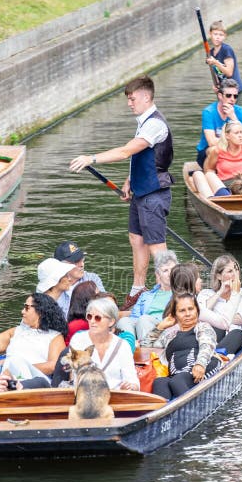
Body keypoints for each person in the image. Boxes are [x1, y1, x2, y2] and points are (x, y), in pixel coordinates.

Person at [69, 75, 174, 310]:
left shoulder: (155, 124)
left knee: (157, 247)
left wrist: (91, 158)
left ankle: (171, 296)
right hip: (141, 191)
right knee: (136, 240)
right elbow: (140, 157)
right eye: (128, 99)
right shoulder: (143, 122)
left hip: (155, 194)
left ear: (146, 97)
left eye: (132, 98)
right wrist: (129, 181)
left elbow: (127, 151)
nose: (129, 103)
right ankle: (138, 290)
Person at [143, 293, 225, 400]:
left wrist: (200, 364)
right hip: (177, 374)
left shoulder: (203, 327)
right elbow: (145, 346)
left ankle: (192, 411)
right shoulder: (170, 335)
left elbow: (207, 346)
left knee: (178, 380)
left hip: (203, 367)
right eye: (182, 311)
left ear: (197, 311)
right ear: (175, 314)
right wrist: (160, 327)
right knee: (160, 382)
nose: (187, 314)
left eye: (191, 309)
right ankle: (161, 415)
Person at [0, 293, 67, 388]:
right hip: (7, 377)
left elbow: (53, 366)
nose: (22, 311)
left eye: (27, 307)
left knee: (16, 361)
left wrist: (18, 366)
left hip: (35, 381)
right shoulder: (16, 331)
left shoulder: (55, 337)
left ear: (40, 311)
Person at [68, 297, 139, 390]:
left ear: (111, 321)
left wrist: (130, 387)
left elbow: (132, 380)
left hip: (116, 398)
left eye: (98, 317)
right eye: (89, 316)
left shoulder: (122, 345)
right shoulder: (78, 340)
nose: (92, 321)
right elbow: (75, 374)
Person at [116, 250, 177, 342]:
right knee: (124, 321)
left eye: (172, 270)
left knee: (144, 319)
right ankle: (129, 349)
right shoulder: (146, 295)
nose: (170, 274)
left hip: (164, 326)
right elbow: (134, 317)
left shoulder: (181, 294)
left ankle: (146, 352)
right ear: (158, 274)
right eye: (165, 270)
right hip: (143, 325)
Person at [191, 121, 242, 197]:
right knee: (201, 174)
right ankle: (211, 199)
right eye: (236, 133)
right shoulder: (217, 151)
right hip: (226, 186)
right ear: (227, 136)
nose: (240, 136)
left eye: (241, 132)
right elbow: (209, 170)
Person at [196, 254, 242, 344]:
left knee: (236, 335)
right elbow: (199, 314)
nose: (235, 274)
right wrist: (220, 292)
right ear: (219, 276)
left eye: (236, 270)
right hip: (212, 337)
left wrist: (211, 317)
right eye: (230, 271)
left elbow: (241, 319)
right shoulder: (205, 294)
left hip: (239, 338)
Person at [194, 79, 242, 168]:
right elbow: (211, 142)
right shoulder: (209, 112)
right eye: (228, 95)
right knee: (214, 149)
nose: (232, 99)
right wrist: (233, 141)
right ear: (220, 96)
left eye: (235, 96)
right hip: (208, 153)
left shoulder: (241, 112)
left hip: (233, 150)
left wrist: (234, 118)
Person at [205, 20, 242, 98]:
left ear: (225, 36)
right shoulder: (210, 53)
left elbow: (229, 73)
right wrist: (216, 85)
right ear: (210, 34)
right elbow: (216, 72)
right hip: (224, 90)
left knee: (230, 110)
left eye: (221, 35)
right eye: (215, 34)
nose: (218, 37)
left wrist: (215, 62)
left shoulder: (226, 50)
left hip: (234, 91)